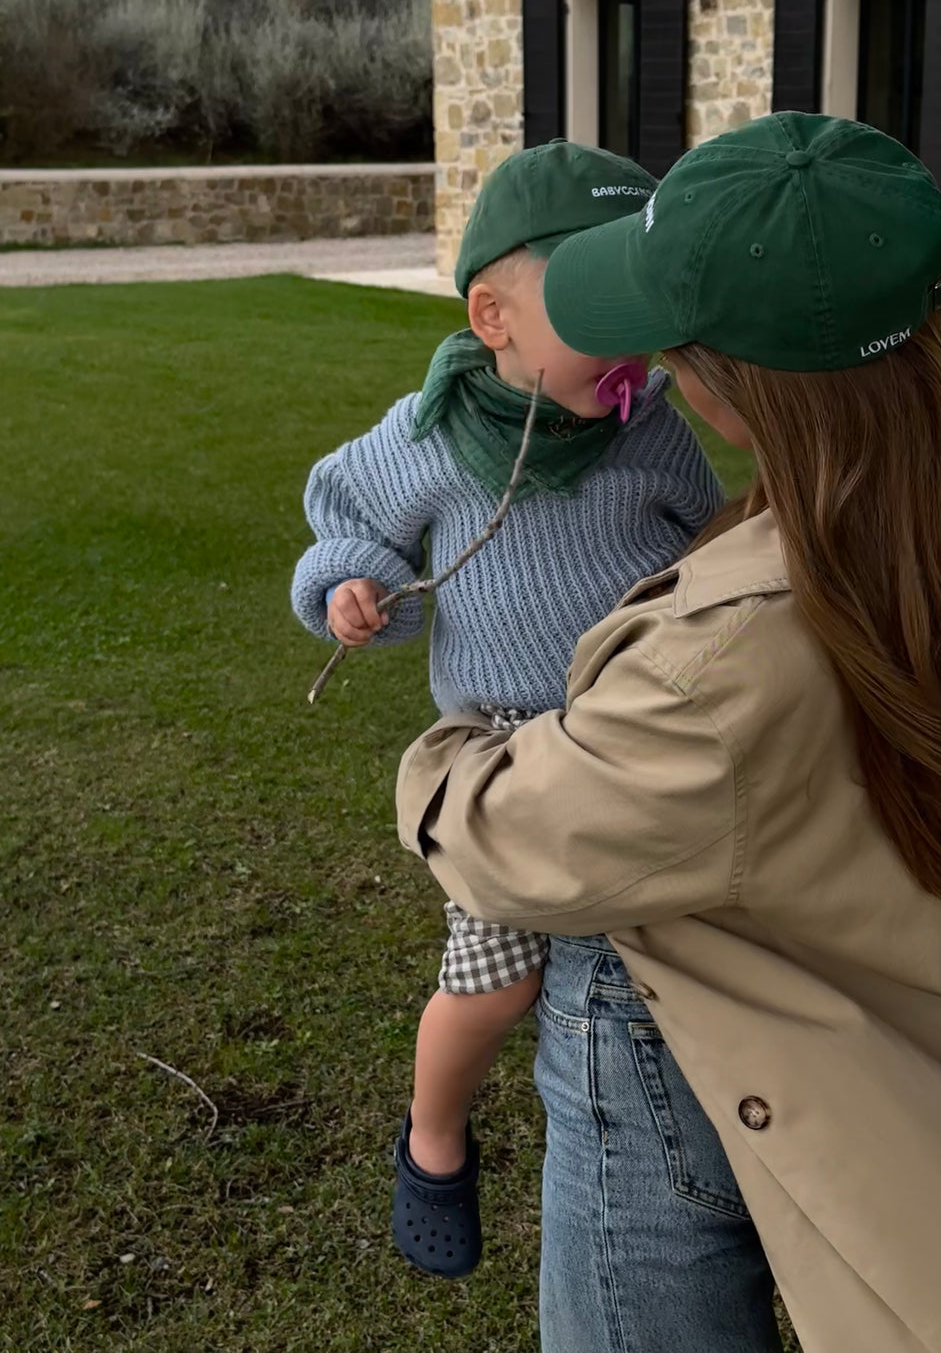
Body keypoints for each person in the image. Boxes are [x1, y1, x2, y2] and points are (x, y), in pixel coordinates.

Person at [395, 113, 941, 1353]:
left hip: (680, 1057)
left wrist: (454, 743)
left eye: (674, 335)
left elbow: (503, 838)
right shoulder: (900, 545)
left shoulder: (721, 667)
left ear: (727, 390)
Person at [290, 140, 726, 1279]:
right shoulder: (431, 438)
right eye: (595, 310)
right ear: (492, 314)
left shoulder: (648, 429)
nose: (631, 344)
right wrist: (345, 591)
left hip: (631, 743)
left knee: (661, 956)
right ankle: (433, 1138)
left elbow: (707, 540)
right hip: (502, 764)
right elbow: (347, 522)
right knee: (497, 981)